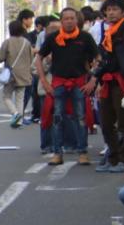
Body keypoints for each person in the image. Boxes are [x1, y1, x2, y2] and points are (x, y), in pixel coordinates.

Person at [36, 8, 98, 165]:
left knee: (80, 118)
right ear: (61, 21)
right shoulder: (53, 37)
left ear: (77, 20)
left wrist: (93, 80)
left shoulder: (85, 37)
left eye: (72, 18)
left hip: (79, 83)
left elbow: (98, 58)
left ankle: (82, 152)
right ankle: (57, 153)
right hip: (58, 83)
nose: (69, 21)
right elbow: (39, 56)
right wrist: (44, 81)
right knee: (57, 118)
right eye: (66, 18)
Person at [90, 0, 124, 172]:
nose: (110, 13)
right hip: (108, 81)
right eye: (108, 10)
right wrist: (98, 81)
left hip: (123, 81)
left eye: (115, 9)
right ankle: (113, 157)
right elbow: (104, 59)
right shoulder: (107, 31)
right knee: (105, 121)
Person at [0, 19, 34, 127]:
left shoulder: (8, 42)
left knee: (6, 96)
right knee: (20, 98)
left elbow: (0, 57)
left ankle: (15, 113)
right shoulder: (26, 42)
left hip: (11, 74)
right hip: (24, 74)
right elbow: (31, 58)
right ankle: (19, 121)